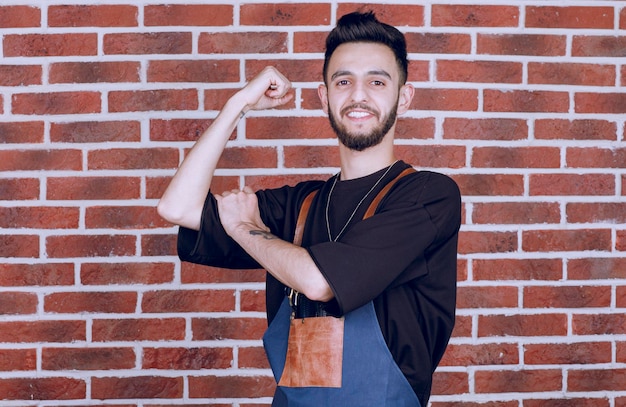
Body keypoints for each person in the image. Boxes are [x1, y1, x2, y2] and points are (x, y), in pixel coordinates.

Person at [158, 11, 461, 407]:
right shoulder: (300, 206)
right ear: (324, 97)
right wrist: (237, 106)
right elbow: (177, 207)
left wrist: (244, 229)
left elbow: (318, 282)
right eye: (343, 82)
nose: (358, 96)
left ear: (403, 98)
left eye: (377, 81)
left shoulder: (427, 196)